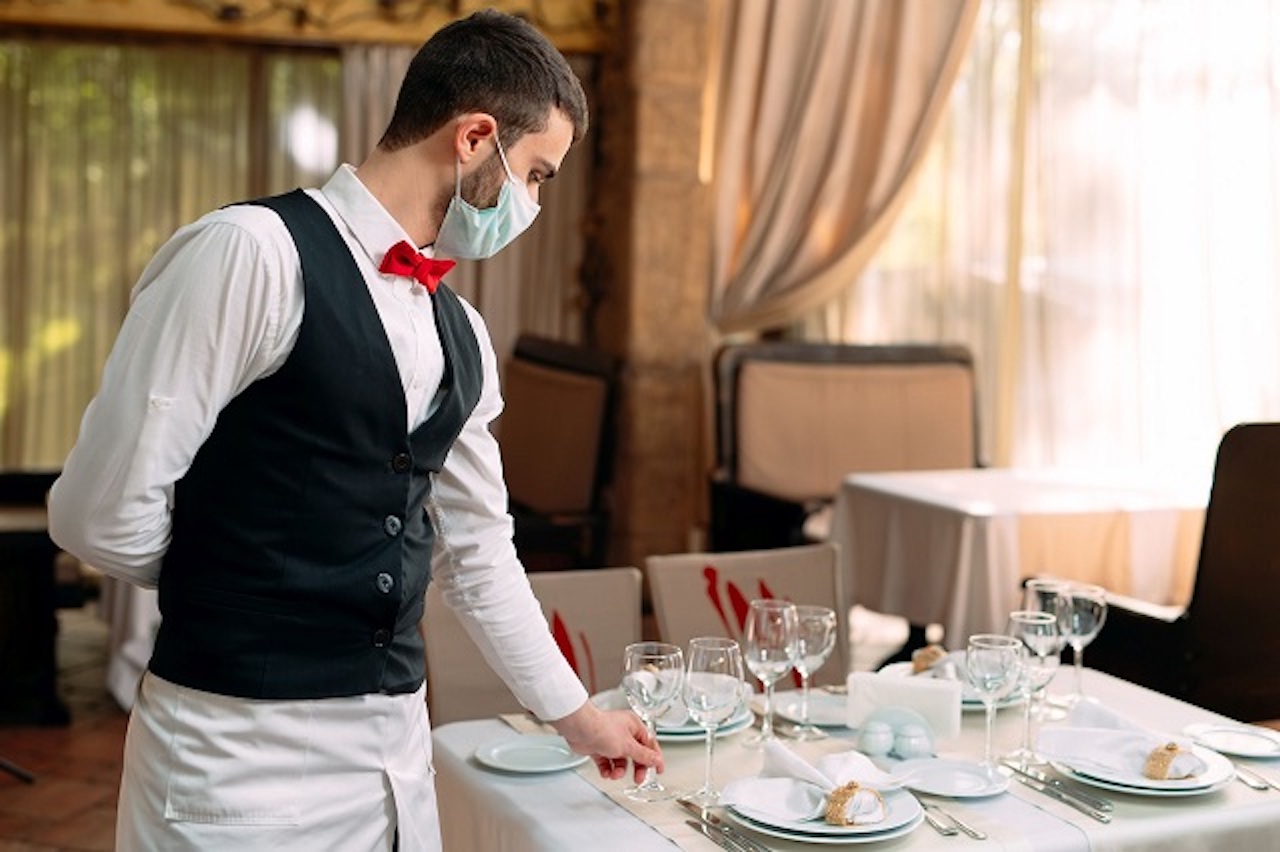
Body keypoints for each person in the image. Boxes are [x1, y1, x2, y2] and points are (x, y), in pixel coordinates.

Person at [47, 9, 662, 850]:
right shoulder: (249, 253)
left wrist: (577, 716)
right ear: (475, 138)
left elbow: (479, 554)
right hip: (236, 759)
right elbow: (97, 512)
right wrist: (236, 581)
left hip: (393, 761)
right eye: (536, 175)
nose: (533, 204)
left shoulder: (463, 333)